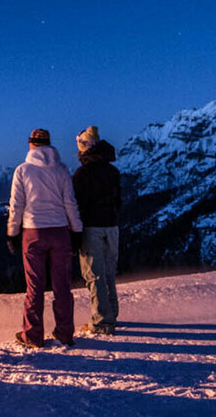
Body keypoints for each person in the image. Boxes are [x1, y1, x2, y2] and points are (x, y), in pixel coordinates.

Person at [7, 128, 83, 348]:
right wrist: (76, 231)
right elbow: (70, 203)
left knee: (35, 287)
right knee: (62, 286)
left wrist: (12, 233)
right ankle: (65, 333)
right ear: (49, 145)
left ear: (31, 144)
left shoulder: (22, 171)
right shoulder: (61, 170)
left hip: (33, 232)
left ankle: (33, 335)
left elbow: (16, 206)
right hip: (60, 232)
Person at [72, 126, 122, 336]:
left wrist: (75, 232)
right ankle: (111, 314)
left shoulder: (82, 174)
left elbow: (77, 205)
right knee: (109, 272)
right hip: (112, 227)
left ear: (85, 147)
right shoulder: (112, 171)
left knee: (94, 275)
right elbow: (118, 200)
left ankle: (102, 321)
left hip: (92, 227)